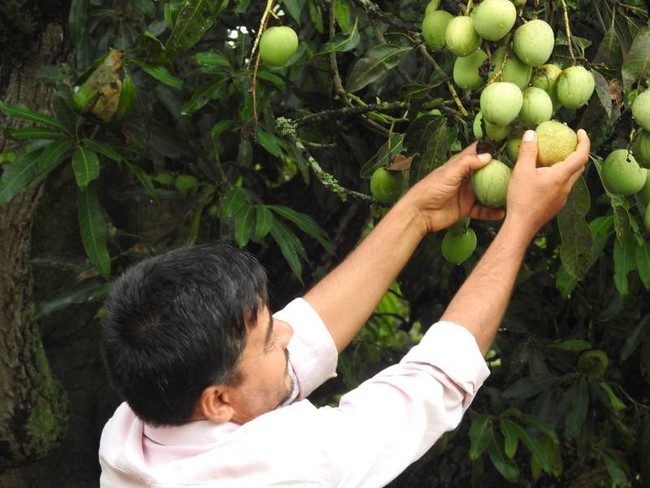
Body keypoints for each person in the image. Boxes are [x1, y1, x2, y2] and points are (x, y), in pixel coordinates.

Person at [98, 129, 590, 487]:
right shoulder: (283, 469)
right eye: (270, 341)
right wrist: (521, 223)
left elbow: (306, 335)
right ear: (218, 402)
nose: (286, 335)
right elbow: (434, 381)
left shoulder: (135, 427)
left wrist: (417, 212)